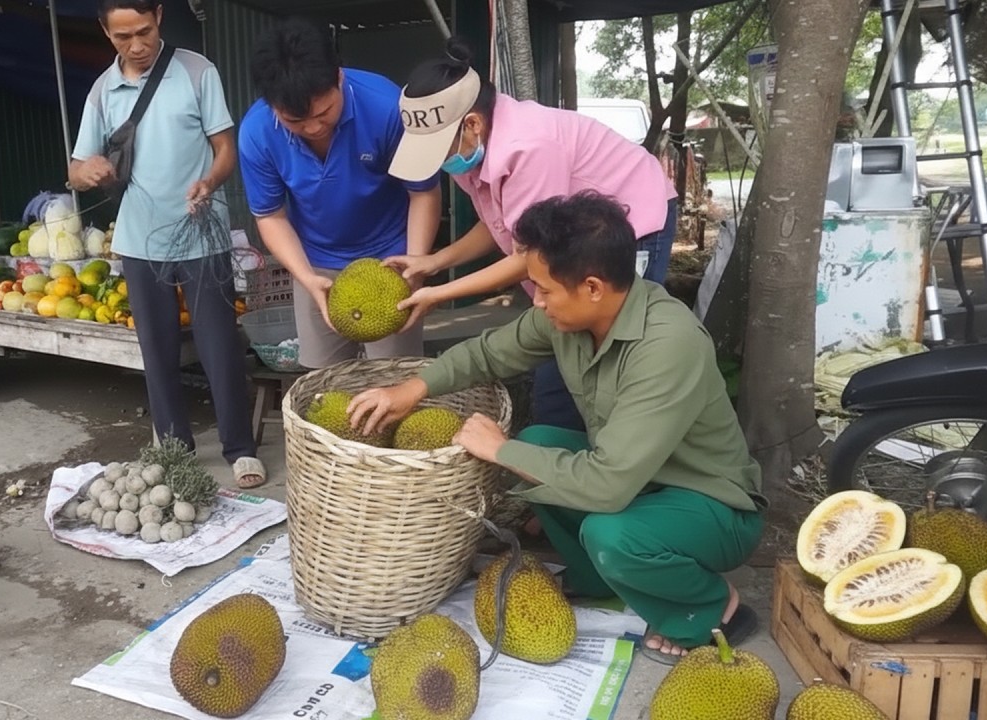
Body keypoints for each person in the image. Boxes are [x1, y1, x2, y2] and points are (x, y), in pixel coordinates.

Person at [347, 192, 766, 664]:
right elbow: (489, 352)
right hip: (640, 481)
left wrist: (500, 451)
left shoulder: (668, 344)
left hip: (711, 506)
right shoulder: (566, 319)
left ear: (591, 287)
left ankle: (711, 606)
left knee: (611, 533)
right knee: (540, 443)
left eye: (544, 290)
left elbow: (607, 485)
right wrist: (414, 389)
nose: (538, 303)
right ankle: (593, 577)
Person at [383, 37, 680, 433]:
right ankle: (561, 443)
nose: (438, 161)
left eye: (438, 148)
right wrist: (434, 262)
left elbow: (529, 255)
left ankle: (613, 448)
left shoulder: (529, 147)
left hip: (633, 222)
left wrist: (438, 292)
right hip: (568, 238)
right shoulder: (473, 150)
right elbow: (502, 226)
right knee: (561, 337)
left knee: (610, 344)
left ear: (472, 123)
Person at [69, 0, 266, 489]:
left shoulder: (197, 71)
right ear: (104, 32)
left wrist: (211, 182)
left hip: (202, 232)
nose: (137, 46)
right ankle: (175, 449)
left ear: (159, 15)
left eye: (144, 31)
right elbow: (75, 167)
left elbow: (225, 147)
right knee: (156, 351)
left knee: (219, 346)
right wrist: (86, 173)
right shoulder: (102, 90)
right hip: (139, 240)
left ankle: (240, 449)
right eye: (122, 37)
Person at [238, 16, 442, 369]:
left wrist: (416, 266)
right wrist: (305, 278)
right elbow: (270, 216)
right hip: (315, 262)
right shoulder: (257, 134)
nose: (314, 127)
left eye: (324, 112)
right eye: (295, 122)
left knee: (396, 377)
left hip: (391, 259)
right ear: (272, 106)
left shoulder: (386, 107)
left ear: (339, 76)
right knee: (324, 381)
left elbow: (423, 192)